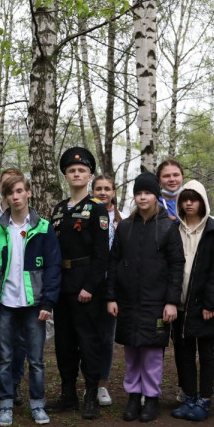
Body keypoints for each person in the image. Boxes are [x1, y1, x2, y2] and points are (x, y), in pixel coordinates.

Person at [107, 173, 184, 423]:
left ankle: (151, 398)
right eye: (138, 193)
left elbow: (176, 265)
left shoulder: (168, 226)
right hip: (128, 300)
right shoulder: (125, 227)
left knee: (151, 352)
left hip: (156, 302)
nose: (142, 197)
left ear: (156, 196)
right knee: (132, 351)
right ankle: (133, 396)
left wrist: (171, 301)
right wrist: (112, 297)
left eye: (147, 193)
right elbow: (114, 262)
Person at [0, 172, 61, 425]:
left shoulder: (42, 228)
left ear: (28, 193)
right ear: (6, 197)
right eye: (10, 193)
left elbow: (53, 267)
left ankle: (37, 403)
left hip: (34, 304)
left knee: (36, 359)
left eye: (20, 191)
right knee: (5, 357)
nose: (16, 196)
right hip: (5, 304)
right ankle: (5, 403)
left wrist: (48, 302)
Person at [49, 147, 110, 419]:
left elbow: (102, 255)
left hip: (86, 287)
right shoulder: (59, 210)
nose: (76, 174)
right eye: (71, 171)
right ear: (65, 176)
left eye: (81, 170)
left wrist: (91, 286)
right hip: (62, 286)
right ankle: (68, 394)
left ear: (89, 175)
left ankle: (90, 395)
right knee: (64, 343)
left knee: (89, 342)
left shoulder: (97, 210)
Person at [170, 180, 214, 422]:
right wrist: (170, 300)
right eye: (184, 199)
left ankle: (204, 400)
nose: (189, 203)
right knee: (182, 353)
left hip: (205, 306)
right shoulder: (173, 230)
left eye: (193, 199)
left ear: (202, 201)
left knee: (205, 354)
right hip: (179, 304)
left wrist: (210, 304)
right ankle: (189, 397)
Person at [0, 167, 26, 406]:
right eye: (6, 184)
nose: (12, 191)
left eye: (16, 185)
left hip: (19, 288)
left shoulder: (27, 216)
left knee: (18, 340)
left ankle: (15, 383)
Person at [92, 173, 122, 406]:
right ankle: (87, 384)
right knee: (86, 337)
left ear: (113, 192)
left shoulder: (122, 221)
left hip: (112, 286)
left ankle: (102, 384)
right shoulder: (87, 214)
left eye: (107, 189)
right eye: (99, 188)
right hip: (88, 284)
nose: (103, 192)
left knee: (106, 337)